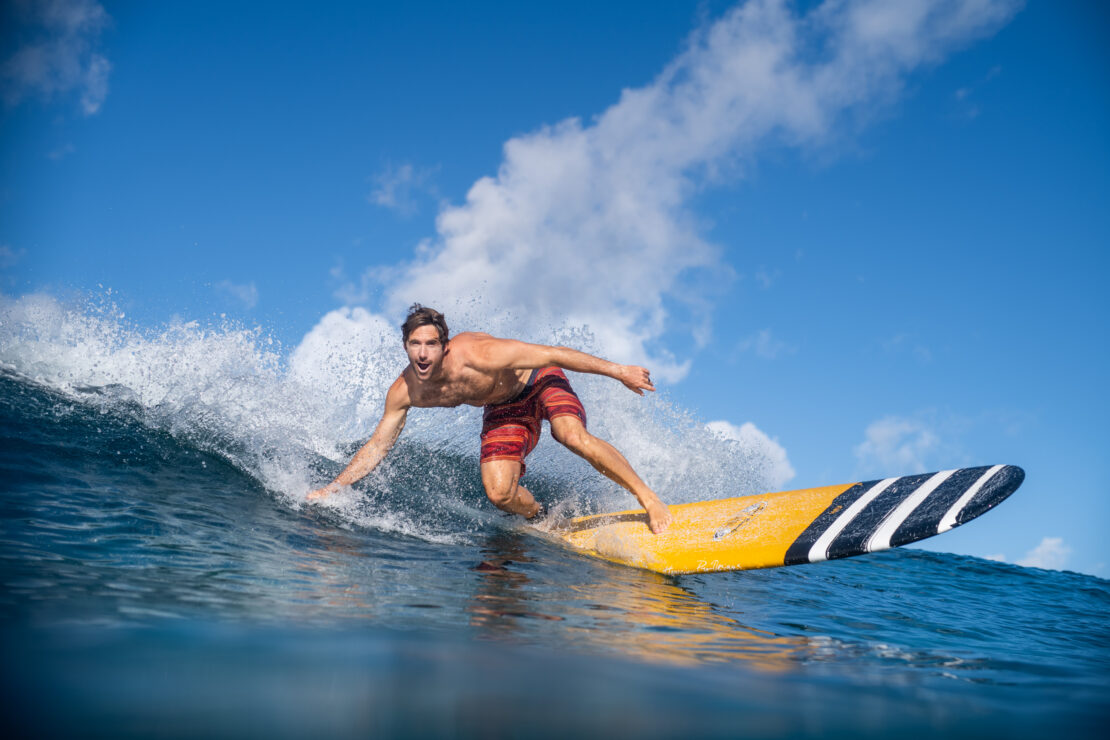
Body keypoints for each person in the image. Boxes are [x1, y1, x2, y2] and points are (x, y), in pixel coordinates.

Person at [307, 304, 673, 534]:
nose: (422, 353)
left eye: (431, 344)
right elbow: (377, 445)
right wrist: (334, 488)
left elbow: (552, 353)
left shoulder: (478, 354)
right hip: (504, 408)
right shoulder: (406, 392)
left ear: (444, 345)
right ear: (405, 345)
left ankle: (649, 498)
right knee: (500, 493)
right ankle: (543, 520)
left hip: (540, 378)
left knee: (570, 435)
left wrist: (619, 371)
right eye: (415, 344)